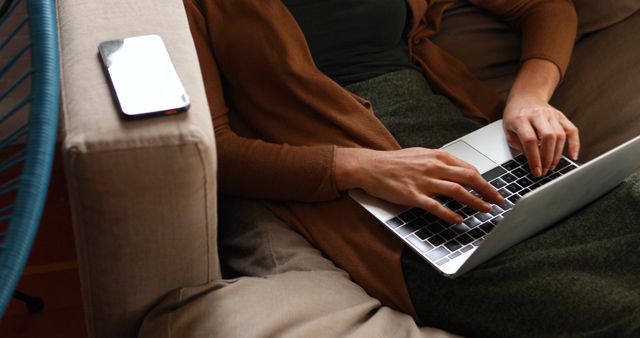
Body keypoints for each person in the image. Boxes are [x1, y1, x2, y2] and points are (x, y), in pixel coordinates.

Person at [184, 0, 640, 336]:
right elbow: (211, 151)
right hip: (375, 205)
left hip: (478, 144)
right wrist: (360, 167)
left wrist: (529, 96)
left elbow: (544, 7)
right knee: (612, 312)